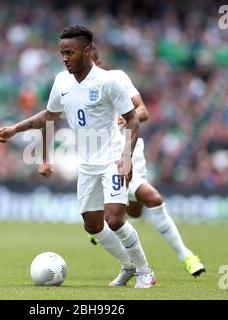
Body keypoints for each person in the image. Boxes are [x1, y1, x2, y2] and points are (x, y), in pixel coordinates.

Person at [0, 25, 156, 288]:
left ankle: (145, 271)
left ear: (88, 51)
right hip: (88, 164)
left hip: (112, 160)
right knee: (92, 226)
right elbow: (49, 116)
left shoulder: (108, 82)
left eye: (70, 53)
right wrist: (16, 128)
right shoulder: (61, 81)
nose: (65, 58)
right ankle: (127, 265)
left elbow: (132, 120)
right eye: (62, 53)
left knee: (114, 219)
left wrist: (126, 158)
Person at [38, 44, 205, 278]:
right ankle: (180, 257)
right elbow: (50, 116)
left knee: (134, 211)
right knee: (139, 205)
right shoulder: (71, 87)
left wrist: (122, 120)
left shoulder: (114, 79)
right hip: (107, 160)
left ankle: (176, 255)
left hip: (129, 153)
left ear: (97, 62)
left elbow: (142, 112)